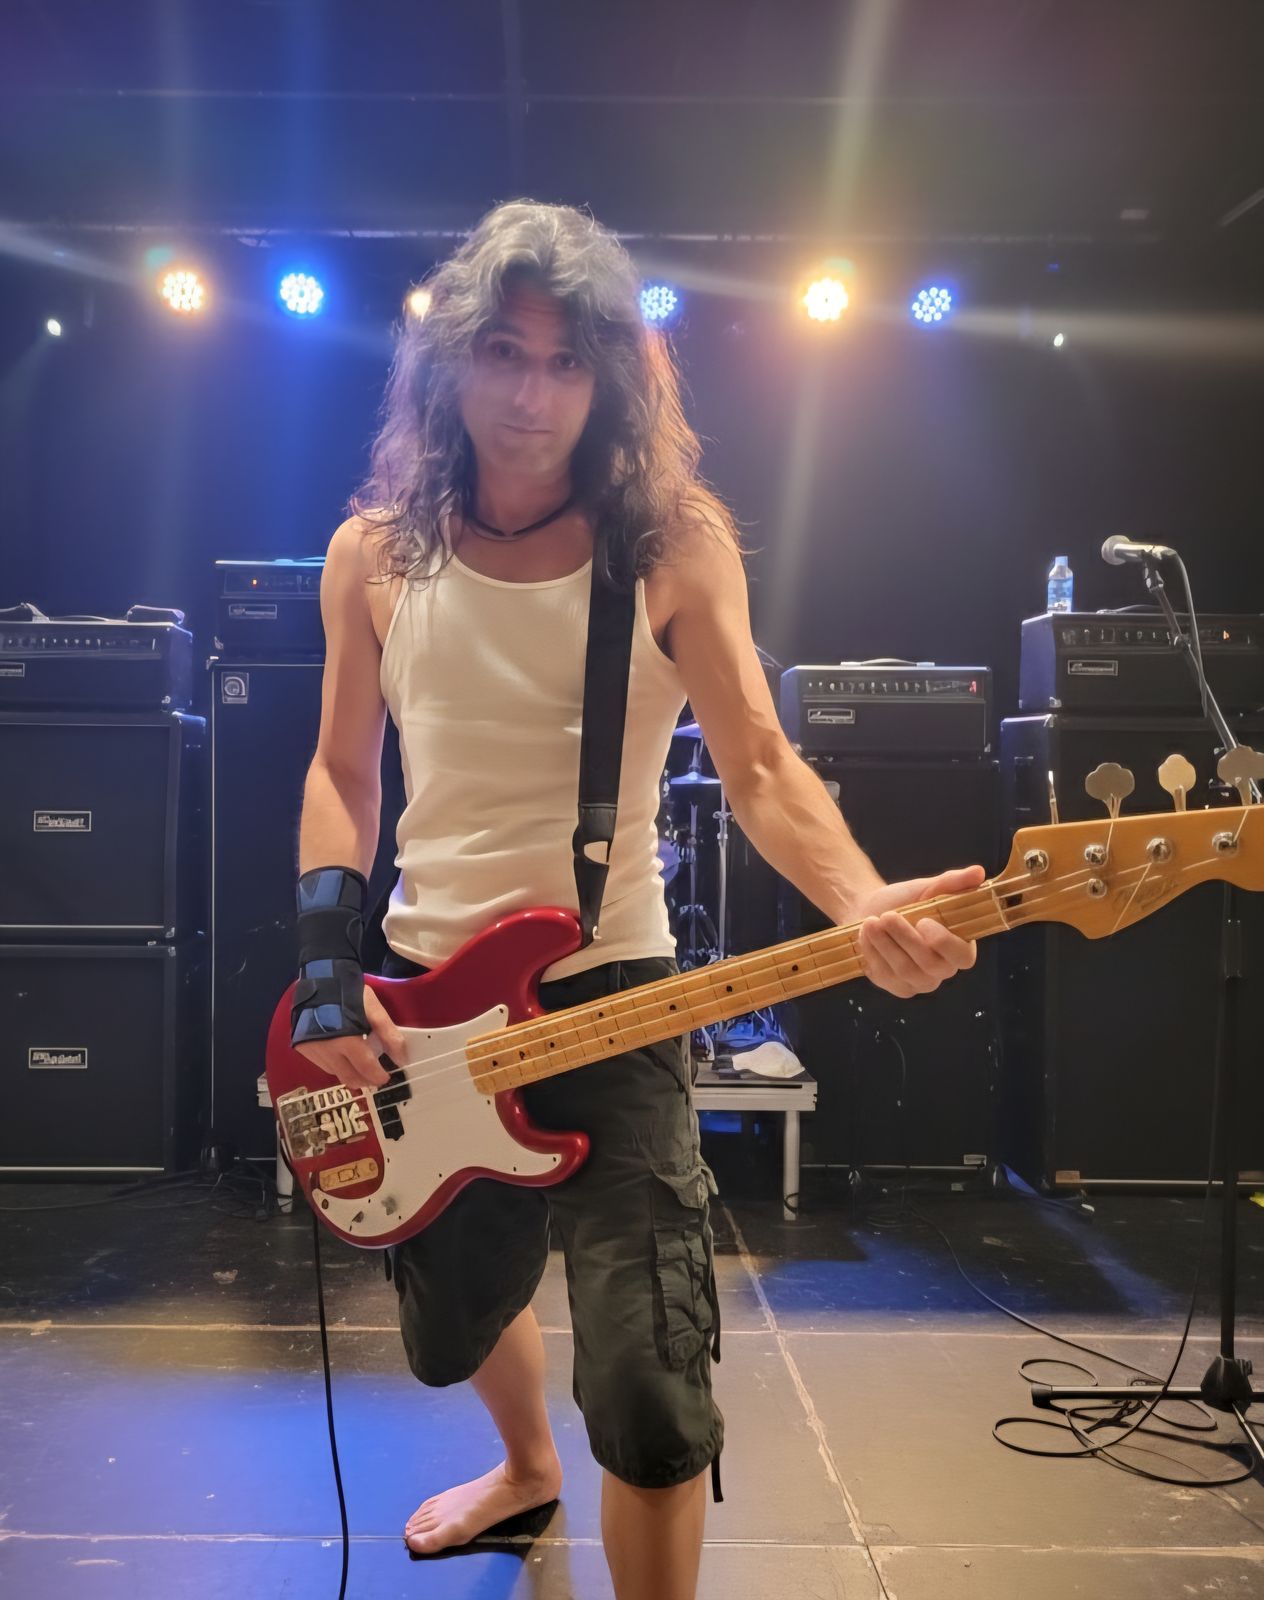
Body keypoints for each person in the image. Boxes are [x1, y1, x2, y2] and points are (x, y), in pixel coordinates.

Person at [290, 199, 982, 1600]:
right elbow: (341, 772)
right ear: (451, 362)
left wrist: (859, 903)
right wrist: (323, 969)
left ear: (608, 378)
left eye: (565, 361)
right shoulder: (372, 555)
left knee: (656, 1385)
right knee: (449, 1321)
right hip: (423, 1000)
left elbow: (760, 761)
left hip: (615, 995)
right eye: (504, 353)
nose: (531, 395)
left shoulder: (668, 545)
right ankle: (525, 1467)